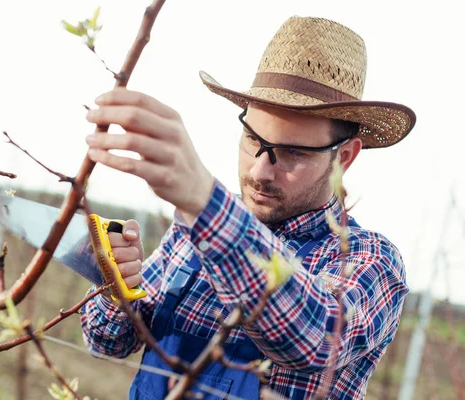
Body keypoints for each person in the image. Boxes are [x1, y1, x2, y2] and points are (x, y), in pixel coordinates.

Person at [80, 16, 415, 399]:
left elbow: (313, 338)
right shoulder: (192, 234)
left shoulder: (368, 259)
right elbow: (108, 344)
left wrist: (205, 201)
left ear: (344, 157)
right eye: (253, 139)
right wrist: (117, 285)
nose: (259, 171)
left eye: (292, 153)